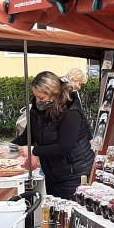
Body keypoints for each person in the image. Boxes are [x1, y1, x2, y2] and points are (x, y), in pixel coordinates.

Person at [14, 68, 95, 198]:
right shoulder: (37, 110)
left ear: (54, 94)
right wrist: (7, 148)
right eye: (35, 97)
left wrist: (34, 150)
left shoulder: (71, 113)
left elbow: (64, 147)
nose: (38, 101)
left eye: (41, 97)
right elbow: (27, 136)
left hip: (74, 175)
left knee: (69, 213)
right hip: (53, 174)